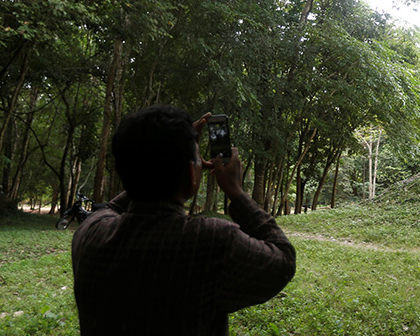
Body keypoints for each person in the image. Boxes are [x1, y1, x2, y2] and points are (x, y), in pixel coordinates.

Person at [71, 105, 296, 336]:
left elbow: (113, 206)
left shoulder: (89, 233)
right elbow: (284, 261)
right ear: (191, 174)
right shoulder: (210, 242)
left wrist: (151, 167)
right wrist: (236, 192)